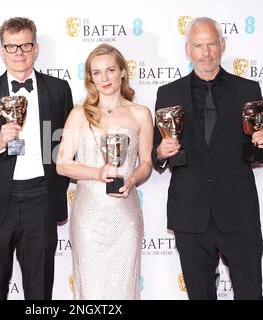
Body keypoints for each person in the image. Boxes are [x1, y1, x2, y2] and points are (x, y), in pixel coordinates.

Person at [152, 17, 263, 300]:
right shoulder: (168, 93)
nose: (206, 52)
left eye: (211, 44)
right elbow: (156, 153)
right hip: (190, 213)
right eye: (198, 45)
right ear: (187, 50)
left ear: (223, 45)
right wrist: (160, 153)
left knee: (251, 295)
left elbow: (260, 148)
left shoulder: (248, 89)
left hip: (238, 210)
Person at [0, 17, 73, 300]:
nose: (19, 53)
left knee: (40, 291)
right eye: (11, 47)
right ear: (1, 51)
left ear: (36, 48)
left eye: (25, 45)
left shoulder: (58, 91)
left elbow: (61, 144)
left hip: (41, 200)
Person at [57, 44, 153, 299]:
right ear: (90, 78)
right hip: (89, 215)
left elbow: (146, 163)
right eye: (97, 73)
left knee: (124, 289)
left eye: (110, 70)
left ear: (122, 71)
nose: (105, 78)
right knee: (90, 288)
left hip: (125, 215)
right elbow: (63, 163)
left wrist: (132, 178)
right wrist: (97, 173)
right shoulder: (79, 114)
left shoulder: (141, 113)